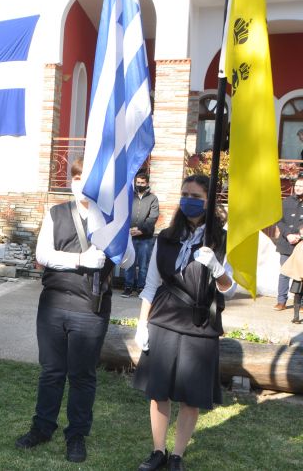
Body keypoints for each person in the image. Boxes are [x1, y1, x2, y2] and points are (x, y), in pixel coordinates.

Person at [16, 157, 133, 463]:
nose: (80, 183)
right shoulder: (56, 212)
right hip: (54, 304)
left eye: (86, 178)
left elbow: (129, 261)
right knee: (51, 371)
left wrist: (119, 241)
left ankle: (77, 435)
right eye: (76, 177)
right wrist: (79, 261)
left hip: (90, 308)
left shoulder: (111, 218)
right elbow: (43, 254)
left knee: (82, 376)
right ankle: (42, 428)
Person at [132, 174, 236, 471]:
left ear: (209, 201)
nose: (188, 200)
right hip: (163, 318)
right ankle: (158, 450)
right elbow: (151, 284)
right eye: (184, 193)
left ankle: (177, 454)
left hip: (199, 322)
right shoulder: (166, 236)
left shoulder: (223, 238)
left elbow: (231, 288)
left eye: (196, 195)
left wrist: (217, 268)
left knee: (190, 396)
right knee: (158, 391)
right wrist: (142, 324)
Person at [122, 171, 160, 298]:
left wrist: (141, 230)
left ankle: (141, 288)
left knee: (144, 265)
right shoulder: (129, 196)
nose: (139, 184)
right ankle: (128, 288)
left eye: (142, 183)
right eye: (137, 182)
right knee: (130, 263)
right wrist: (127, 229)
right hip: (130, 237)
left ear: (147, 183)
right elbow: (123, 213)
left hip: (146, 238)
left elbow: (153, 217)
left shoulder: (153, 199)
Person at [275, 176, 303, 311]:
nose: (298, 188)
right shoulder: (286, 201)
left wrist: (299, 236)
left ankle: (301, 303)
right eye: (297, 185)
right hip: (286, 242)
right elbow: (279, 220)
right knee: (284, 272)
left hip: (301, 244)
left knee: (301, 274)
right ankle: (281, 301)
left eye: (301, 186)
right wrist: (288, 234)